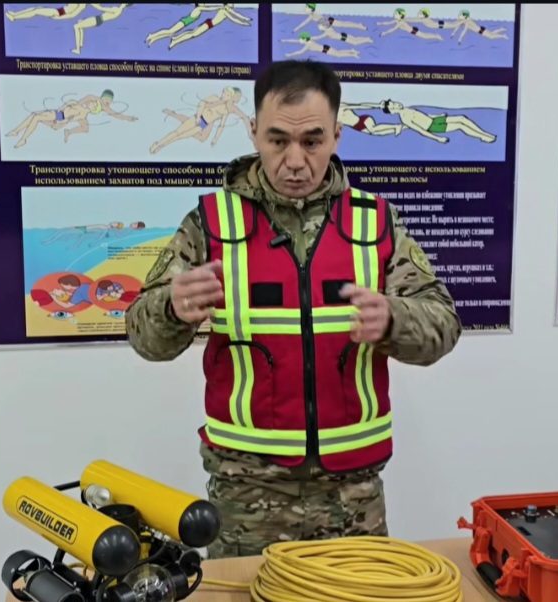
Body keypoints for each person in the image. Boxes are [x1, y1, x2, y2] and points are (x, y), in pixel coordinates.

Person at [124, 60, 462, 559]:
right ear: (253, 132)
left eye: (312, 141)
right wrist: (171, 310)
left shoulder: (374, 222)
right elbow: (142, 337)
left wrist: (395, 318)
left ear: (337, 137)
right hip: (247, 497)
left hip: (354, 499)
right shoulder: (210, 223)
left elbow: (444, 324)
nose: (296, 160)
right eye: (278, 140)